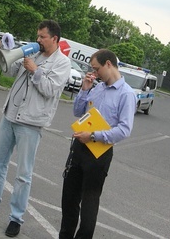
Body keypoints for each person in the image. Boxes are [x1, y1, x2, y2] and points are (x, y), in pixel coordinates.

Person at [0, 20, 71, 237]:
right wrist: (8, 50)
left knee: (23, 174)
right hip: (10, 115)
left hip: (31, 123)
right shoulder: (34, 52)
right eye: (38, 35)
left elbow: (51, 90)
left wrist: (35, 71)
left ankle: (16, 218)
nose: (38, 40)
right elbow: (10, 71)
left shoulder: (62, 63)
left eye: (42, 37)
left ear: (54, 39)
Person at [59, 49, 136, 239]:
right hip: (79, 147)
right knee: (69, 199)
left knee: (89, 205)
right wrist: (85, 88)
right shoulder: (98, 87)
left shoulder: (126, 94)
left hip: (99, 153)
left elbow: (124, 130)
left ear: (109, 64)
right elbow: (78, 112)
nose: (95, 73)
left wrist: (93, 135)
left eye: (97, 68)